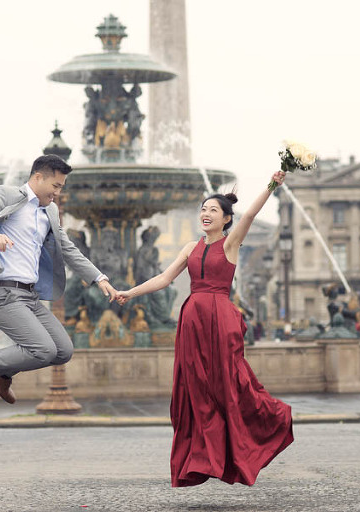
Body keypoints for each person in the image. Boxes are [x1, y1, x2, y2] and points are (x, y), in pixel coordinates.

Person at [117, 170, 293, 487]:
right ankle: (202, 457)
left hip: (221, 318)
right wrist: (130, 293)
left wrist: (271, 185)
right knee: (194, 388)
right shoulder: (189, 247)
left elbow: (251, 213)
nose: (205, 214)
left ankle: (257, 430)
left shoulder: (232, 243)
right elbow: (164, 279)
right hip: (192, 318)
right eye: (203, 209)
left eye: (213, 210)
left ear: (226, 219)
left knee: (228, 383)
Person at [0, 154, 118, 408]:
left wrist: (98, 278)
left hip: (30, 297)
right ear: (38, 177)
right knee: (43, 349)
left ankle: (2, 372)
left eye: (61, 187)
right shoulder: (7, 195)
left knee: (63, 350)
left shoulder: (50, 211)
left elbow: (67, 248)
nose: (57, 193)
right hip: (3, 294)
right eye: (55, 186)